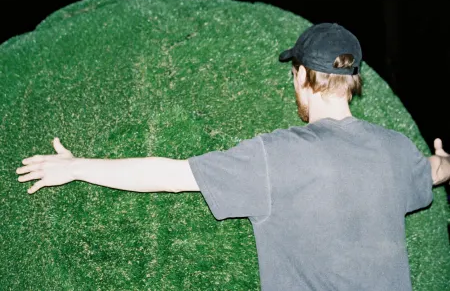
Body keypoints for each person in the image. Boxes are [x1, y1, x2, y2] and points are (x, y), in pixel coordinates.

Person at [16, 23, 450, 291]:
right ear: (352, 80)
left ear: (301, 75)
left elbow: (170, 175)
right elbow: (434, 171)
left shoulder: (277, 156)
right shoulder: (395, 150)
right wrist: (444, 160)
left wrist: (75, 167)